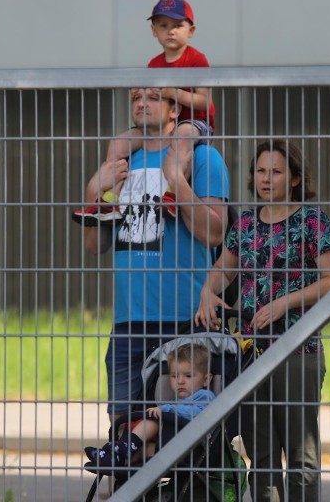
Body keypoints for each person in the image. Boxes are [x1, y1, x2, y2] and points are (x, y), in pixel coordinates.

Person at [196, 139, 330, 502]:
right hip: (251, 355)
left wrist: (284, 304)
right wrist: (207, 291)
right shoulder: (245, 223)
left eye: (276, 172)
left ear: (294, 178)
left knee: (301, 457)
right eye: (261, 171)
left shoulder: (312, 221)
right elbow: (224, 270)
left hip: (298, 352)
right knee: (260, 458)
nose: (266, 179)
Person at [79, 87, 229, 424]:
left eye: (152, 97)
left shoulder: (203, 158)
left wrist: (176, 179)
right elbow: (94, 245)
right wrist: (95, 190)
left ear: (175, 110)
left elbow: (215, 232)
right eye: (135, 98)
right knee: (123, 435)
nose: (142, 103)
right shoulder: (120, 162)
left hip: (183, 320)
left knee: (181, 434)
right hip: (128, 321)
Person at [74, 0, 216, 225]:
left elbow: (205, 102)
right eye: (163, 25)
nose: (170, 31)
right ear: (153, 31)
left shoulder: (197, 59)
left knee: (182, 136)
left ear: (191, 30)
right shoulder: (154, 64)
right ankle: (111, 199)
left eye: (178, 25)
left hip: (195, 124)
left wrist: (173, 93)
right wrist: (139, 92)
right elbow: (151, 95)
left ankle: (172, 194)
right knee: (118, 143)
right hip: (161, 126)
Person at [87, 344, 215, 468]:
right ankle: (115, 459)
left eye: (188, 376)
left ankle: (125, 447)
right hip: (165, 446)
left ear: (206, 379)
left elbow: (199, 413)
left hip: (191, 446)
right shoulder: (175, 401)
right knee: (143, 442)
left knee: (153, 420)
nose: (180, 381)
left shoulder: (205, 396)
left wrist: (166, 410)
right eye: (174, 376)